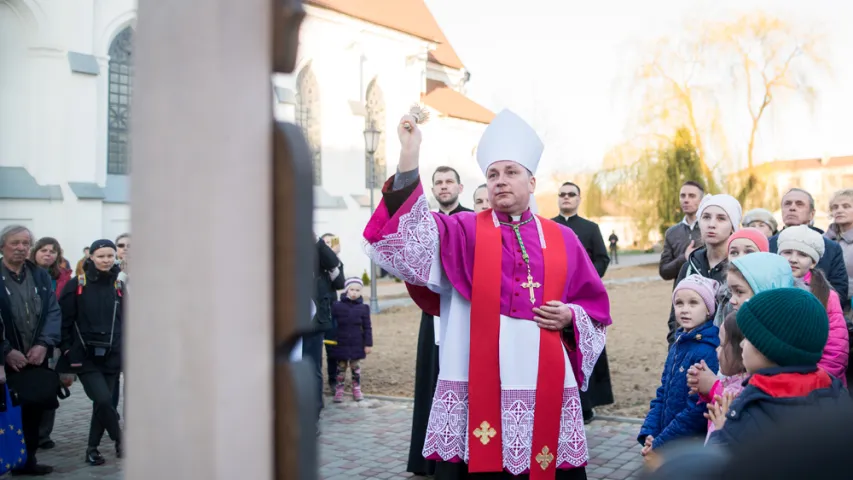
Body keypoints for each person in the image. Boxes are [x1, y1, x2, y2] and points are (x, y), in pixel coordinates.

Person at [365, 109, 610, 479]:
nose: (500, 181)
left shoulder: (563, 239)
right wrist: (409, 155)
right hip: (473, 379)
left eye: (511, 172)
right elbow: (407, 236)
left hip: (544, 379)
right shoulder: (462, 231)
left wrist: (570, 317)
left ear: (531, 181)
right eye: (492, 174)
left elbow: (595, 310)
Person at [707, 288, 850, 447]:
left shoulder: (753, 411)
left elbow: (716, 467)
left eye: (748, 338)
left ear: (769, 348)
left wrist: (722, 432)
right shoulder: (836, 394)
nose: (741, 344)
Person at [406, 167, 473, 476]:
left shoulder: (473, 221)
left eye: (449, 182)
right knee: (431, 379)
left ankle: (461, 459)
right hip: (432, 312)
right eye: (438, 183)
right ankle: (428, 460)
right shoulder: (426, 224)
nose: (444, 187)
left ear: (460, 186)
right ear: (432, 189)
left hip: (463, 315)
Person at [0, 225, 61, 475]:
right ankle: (6, 458)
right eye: (15, 243)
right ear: (2, 245)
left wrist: (44, 344)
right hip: (5, 361)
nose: (21, 248)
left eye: (26, 243)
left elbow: (53, 311)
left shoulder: (40, 275)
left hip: (34, 358)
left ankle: (27, 461)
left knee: (33, 411)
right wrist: (4, 350)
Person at [57, 239, 124, 465]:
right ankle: (120, 438)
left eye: (110, 256)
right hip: (84, 355)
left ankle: (92, 449)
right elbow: (64, 320)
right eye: (101, 256)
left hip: (113, 355)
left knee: (103, 404)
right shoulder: (77, 284)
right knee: (104, 400)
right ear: (91, 257)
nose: (106, 260)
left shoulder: (120, 284)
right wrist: (66, 349)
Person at [551, 181, 612, 423]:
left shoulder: (590, 228)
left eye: (571, 194)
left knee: (583, 348)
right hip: (555, 298)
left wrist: (584, 278)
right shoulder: (548, 226)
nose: (566, 198)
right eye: (562, 194)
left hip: (582, 300)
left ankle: (586, 404)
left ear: (578, 199)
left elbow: (602, 259)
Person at [639, 275, 720, 456]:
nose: (685, 309)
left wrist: (661, 442)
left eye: (693, 303)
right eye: (679, 303)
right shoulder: (678, 345)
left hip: (689, 446)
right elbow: (663, 393)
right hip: (668, 440)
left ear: (708, 309)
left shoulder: (706, 351)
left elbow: (696, 409)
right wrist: (650, 432)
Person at [777, 225, 849, 383]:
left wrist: (816, 381)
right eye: (787, 252)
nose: (793, 259)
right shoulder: (770, 287)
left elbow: (836, 348)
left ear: (813, 262)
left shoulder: (826, 295)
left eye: (802, 254)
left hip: (816, 382)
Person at [667, 194, 741, 345]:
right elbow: (675, 318)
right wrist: (675, 349)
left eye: (721, 218)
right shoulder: (689, 267)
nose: (712, 224)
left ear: (733, 227)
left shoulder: (740, 269)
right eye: (706, 217)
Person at [769, 188, 848, 307]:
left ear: (812, 213)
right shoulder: (768, 244)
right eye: (787, 204)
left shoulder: (831, 248)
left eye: (799, 204)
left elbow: (839, 290)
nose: (792, 208)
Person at [30, 237, 73, 450]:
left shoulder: (64, 278)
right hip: (30, 340)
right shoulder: (25, 274)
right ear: (35, 252)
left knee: (50, 387)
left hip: (54, 340)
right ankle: (26, 432)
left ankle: (44, 435)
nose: (48, 254)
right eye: (44, 250)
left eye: (53, 251)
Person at [328, 278, 372, 403]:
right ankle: (339, 389)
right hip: (341, 342)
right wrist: (331, 339)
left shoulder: (364, 308)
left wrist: (368, 344)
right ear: (347, 290)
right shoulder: (337, 306)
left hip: (357, 342)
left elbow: (367, 327)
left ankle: (356, 388)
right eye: (352, 289)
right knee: (341, 368)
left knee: (355, 367)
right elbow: (332, 324)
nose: (354, 293)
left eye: (357, 290)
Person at [659, 181, 704, 287]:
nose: (686, 200)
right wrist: (684, 258)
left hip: (708, 295)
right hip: (681, 297)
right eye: (683, 196)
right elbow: (664, 272)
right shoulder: (672, 233)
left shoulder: (711, 229)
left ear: (702, 200)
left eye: (692, 196)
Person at [824, 189, 853, 308]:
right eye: (835, 207)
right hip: (827, 303)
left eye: (846, 206)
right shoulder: (822, 240)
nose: (839, 210)